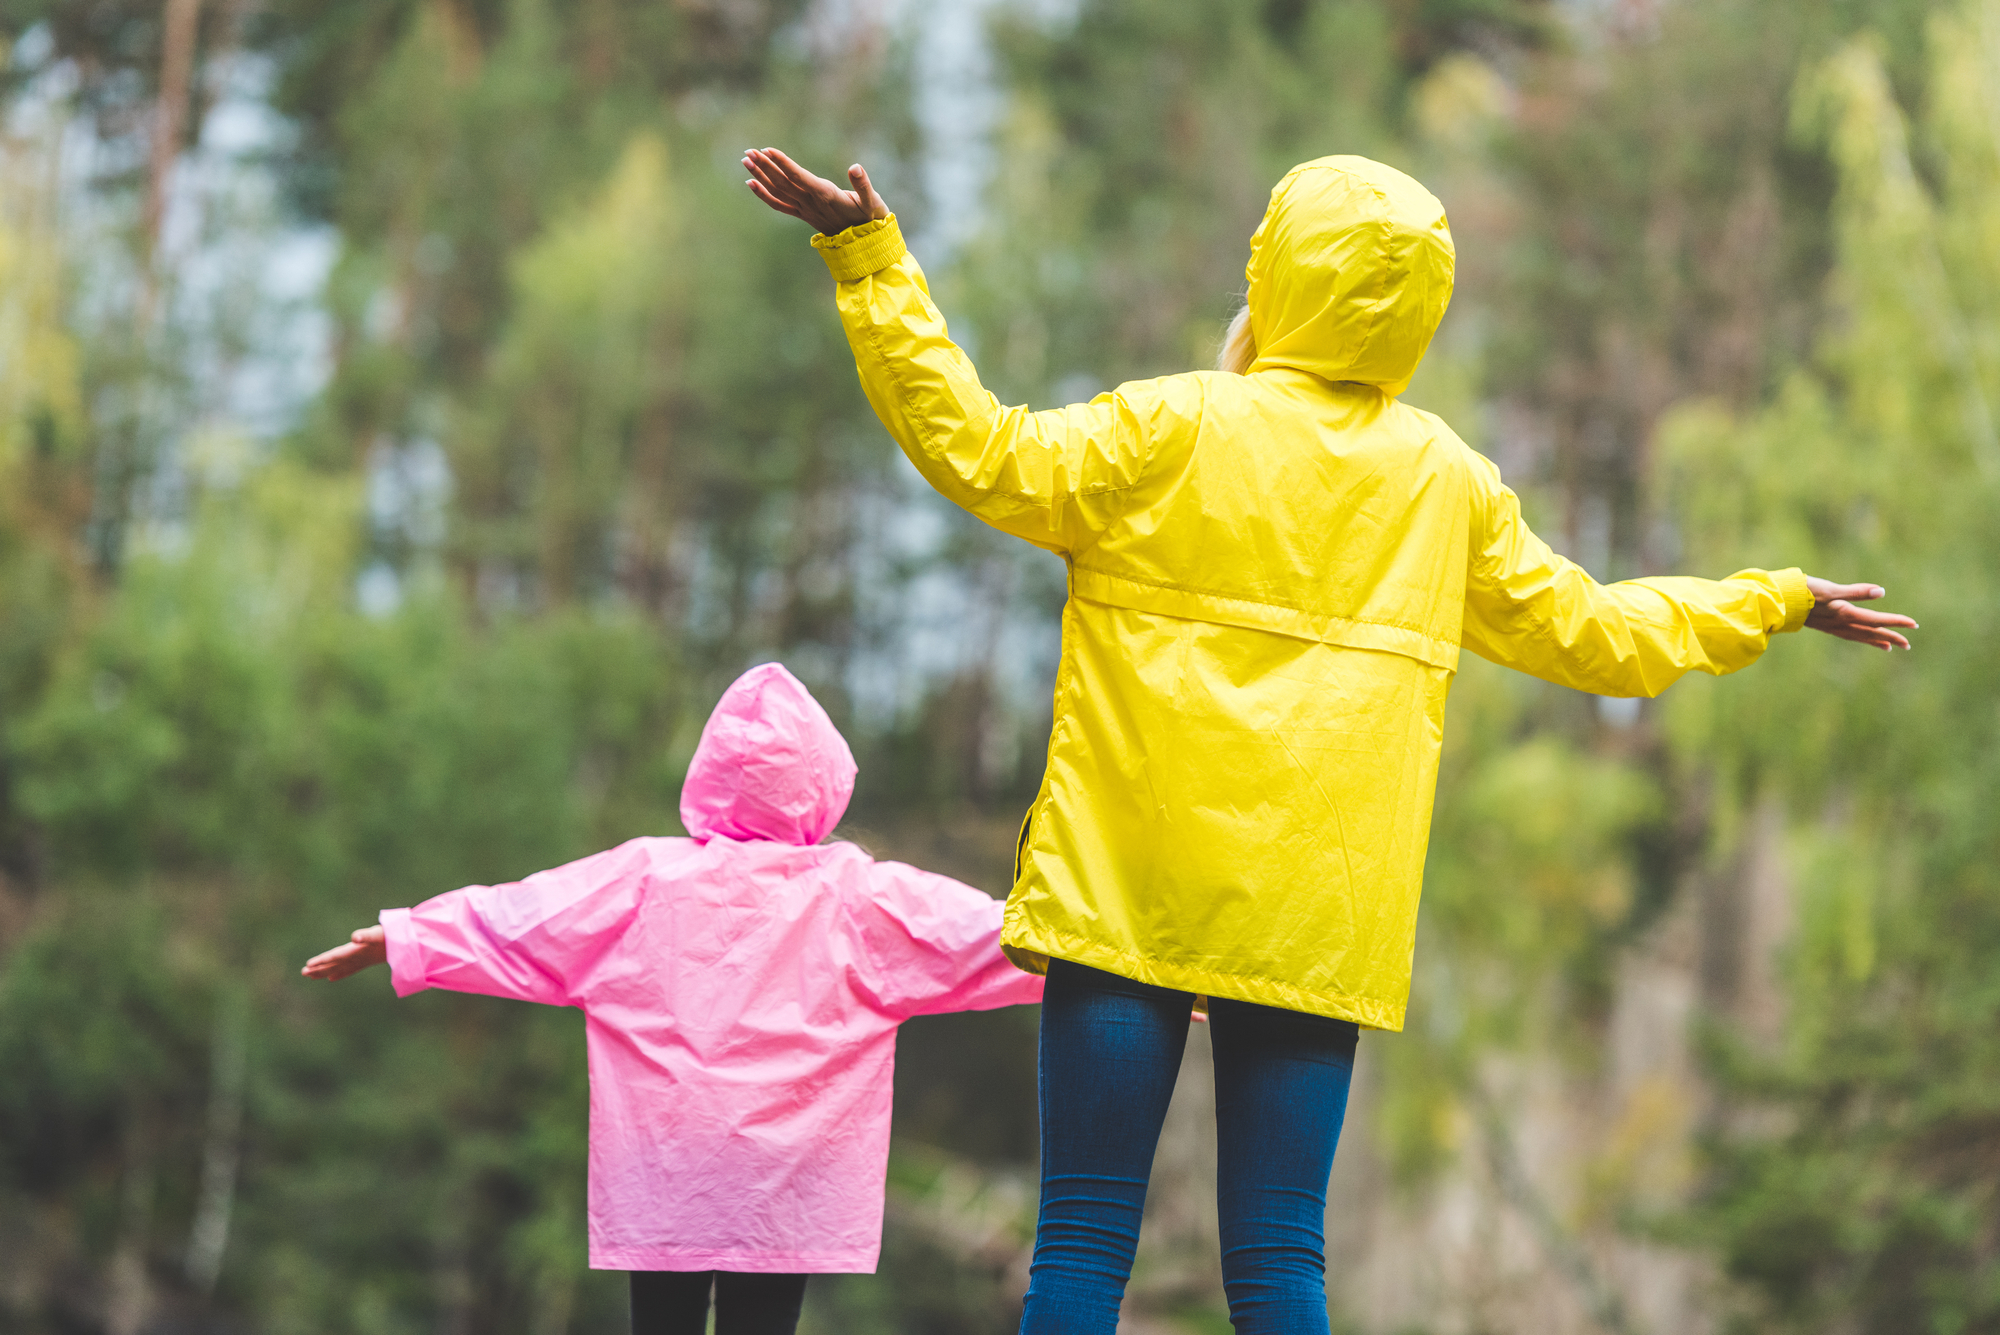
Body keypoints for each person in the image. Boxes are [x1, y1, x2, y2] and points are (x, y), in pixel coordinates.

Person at [742, 148, 1916, 1335]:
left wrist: (871, 260)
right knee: (1279, 1261)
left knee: (1085, 1240)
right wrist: (1763, 599)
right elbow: (1600, 635)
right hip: (1315, 922)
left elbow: (975, 449)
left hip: (1125, 891)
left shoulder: (1168, 427)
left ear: (1278, 273)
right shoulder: (1442, 484)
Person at [302, 662, 1044, 1335]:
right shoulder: (862, 896)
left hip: (665, 1168)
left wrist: (409, 938)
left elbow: (521, 918)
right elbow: (991, 936)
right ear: (825, 780)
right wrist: (1100, 953)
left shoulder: (644, 880)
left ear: (709, 774)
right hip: (786, 1183)